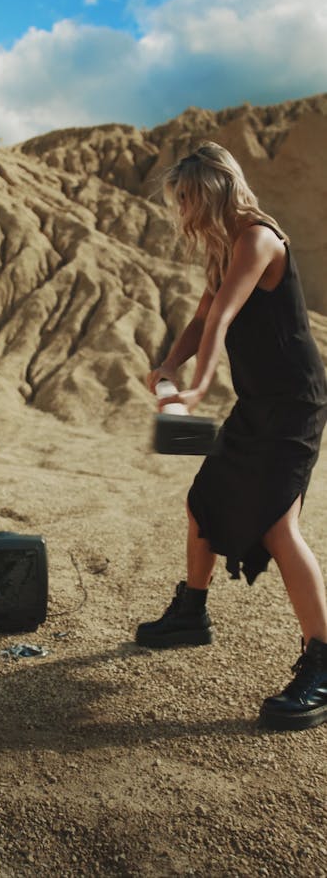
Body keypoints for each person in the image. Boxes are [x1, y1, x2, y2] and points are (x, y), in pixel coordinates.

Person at [136, 142, 327, 731]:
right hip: (257, 404)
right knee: (203, 501)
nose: (183, 212)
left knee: (278, 525)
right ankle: (192, 612)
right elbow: (199, 318)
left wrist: (193, 391)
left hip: (294, 404)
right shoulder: (224, 247)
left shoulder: (258, 239)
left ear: (213, 191)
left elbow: (222, 318)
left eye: (187, 199)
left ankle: (323, 662)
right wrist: (166, 366)